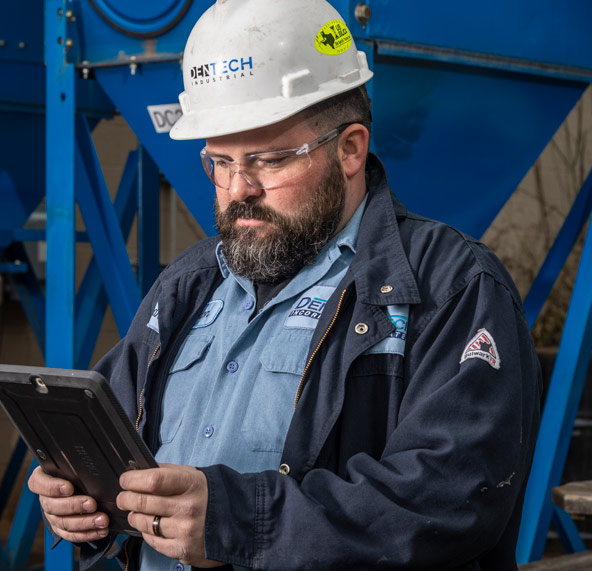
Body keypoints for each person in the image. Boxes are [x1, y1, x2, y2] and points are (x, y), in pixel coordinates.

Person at [29, 0, 542, 569]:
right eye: (219, 162)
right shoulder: (189, 283)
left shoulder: (451, 286)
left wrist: (238, 520)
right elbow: (112, 437)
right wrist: (78, 498)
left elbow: (451, 499)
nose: (237, 187)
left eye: (268, 161)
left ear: (350, 148)